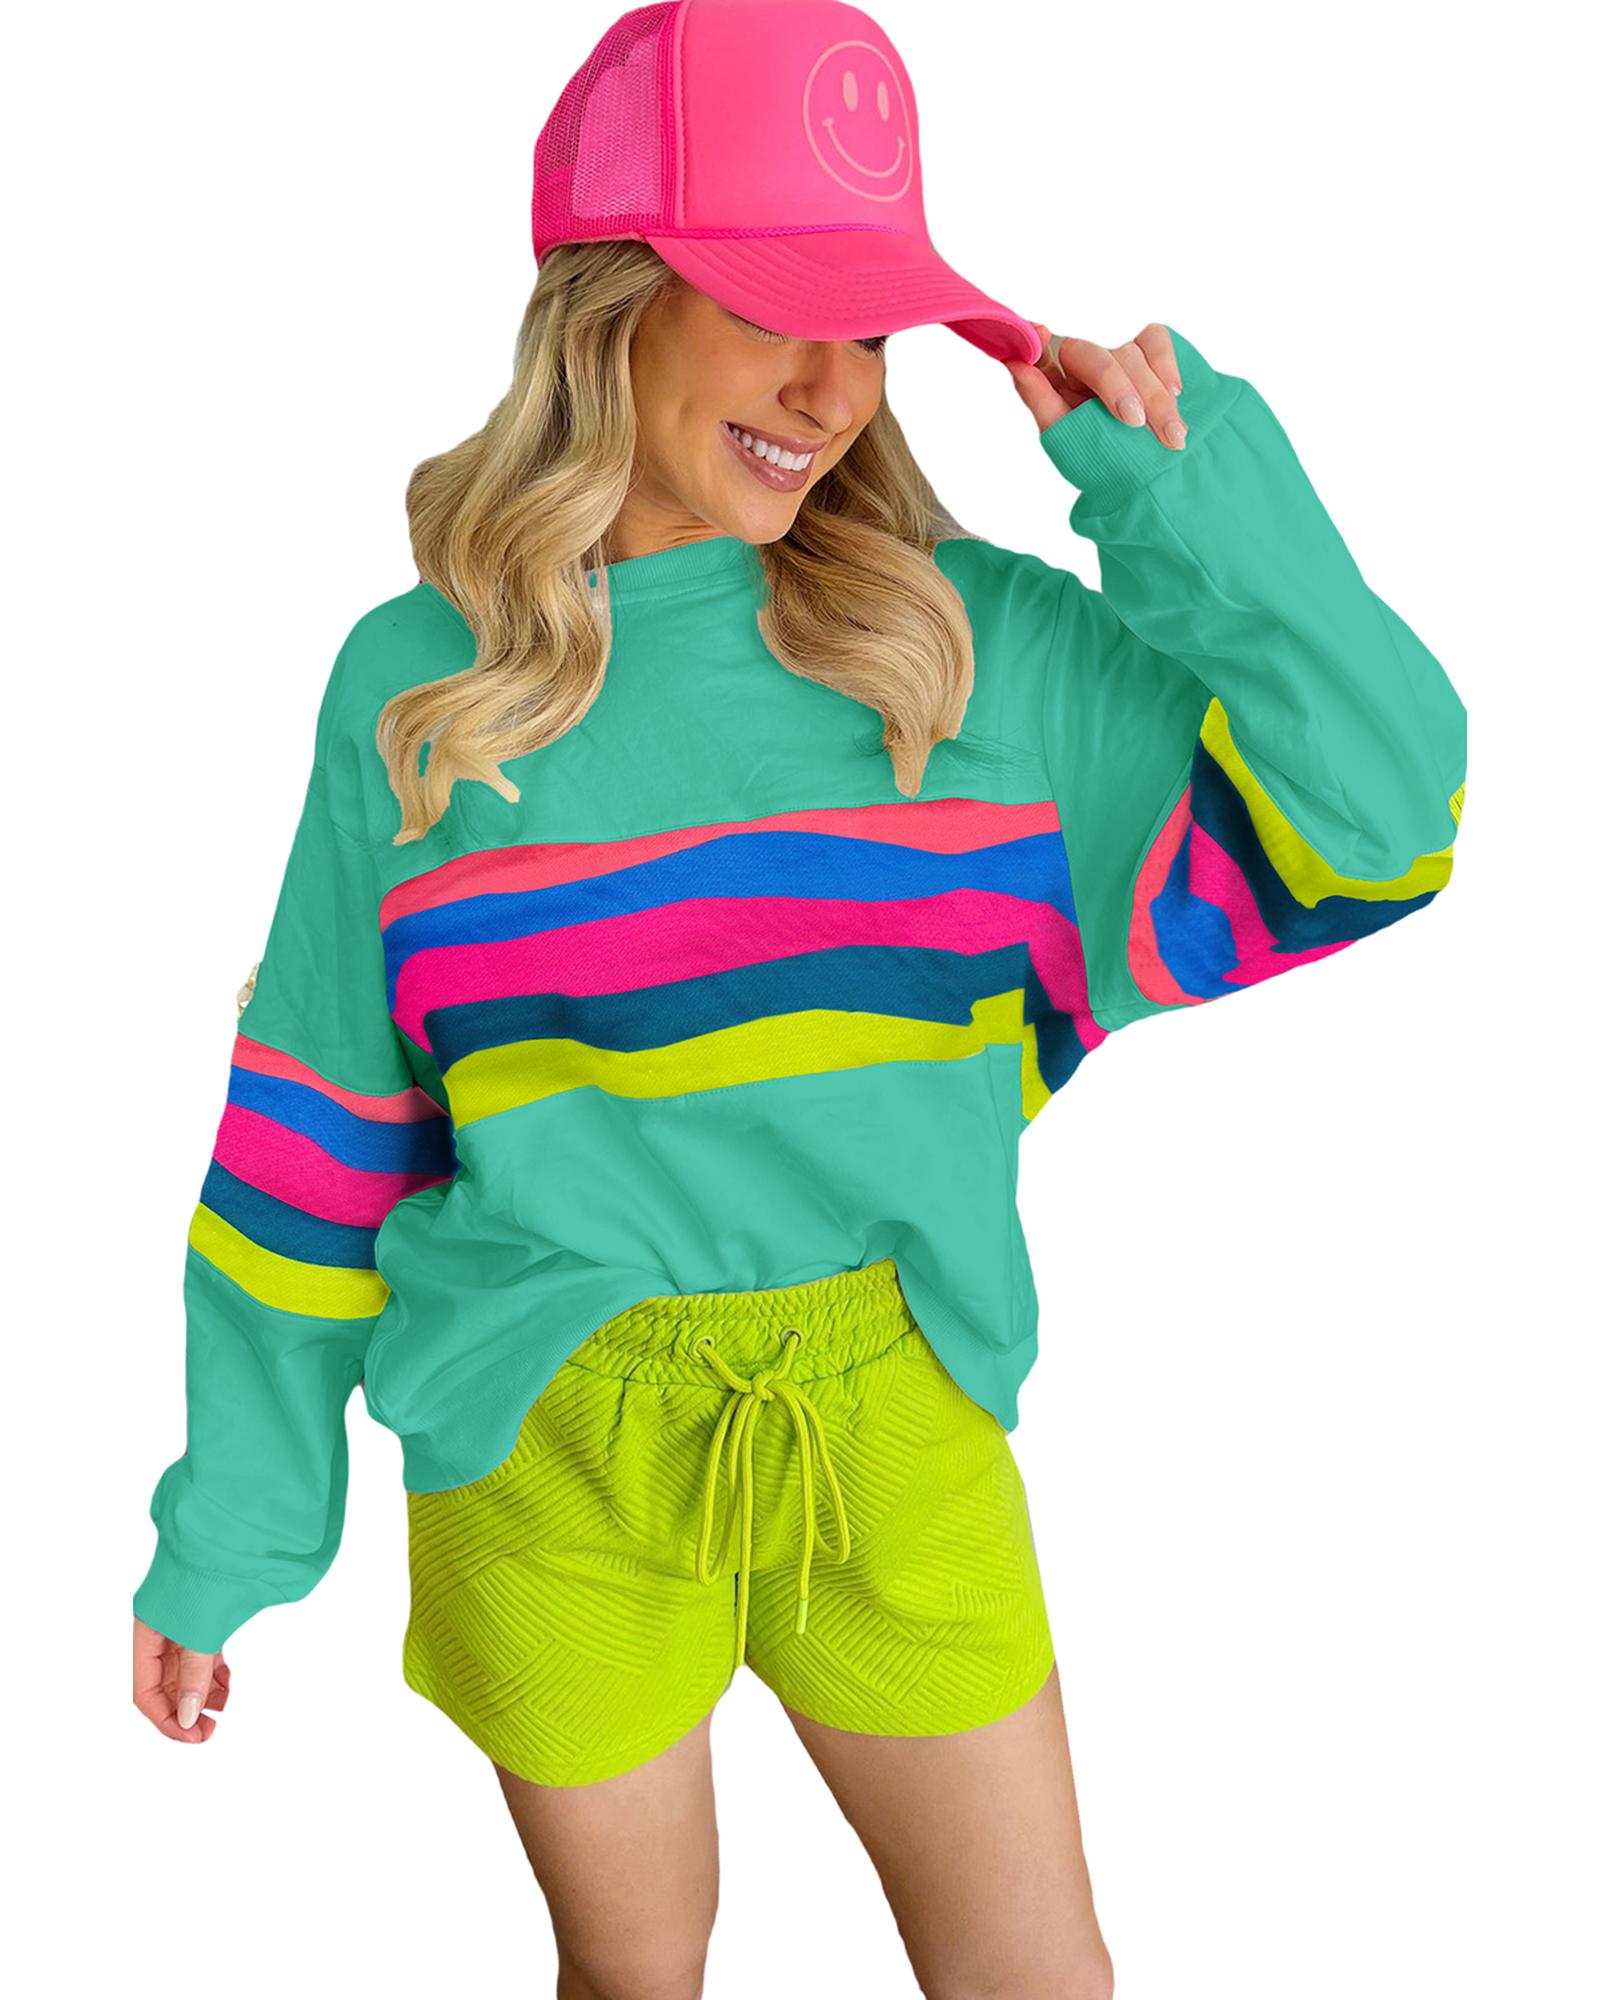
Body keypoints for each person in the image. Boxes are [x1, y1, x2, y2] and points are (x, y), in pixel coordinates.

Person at [130, 1, 1467, 1994]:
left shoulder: (965, 650)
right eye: (769, 305)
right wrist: (235, 1523)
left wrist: (1183, 496)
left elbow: (1383, 812)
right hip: (544, 1429)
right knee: (635, 1979)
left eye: (870, 325)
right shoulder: (421, 690)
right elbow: (320, 1121)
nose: (829, 385)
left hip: (894, 1403)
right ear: (607, 303)